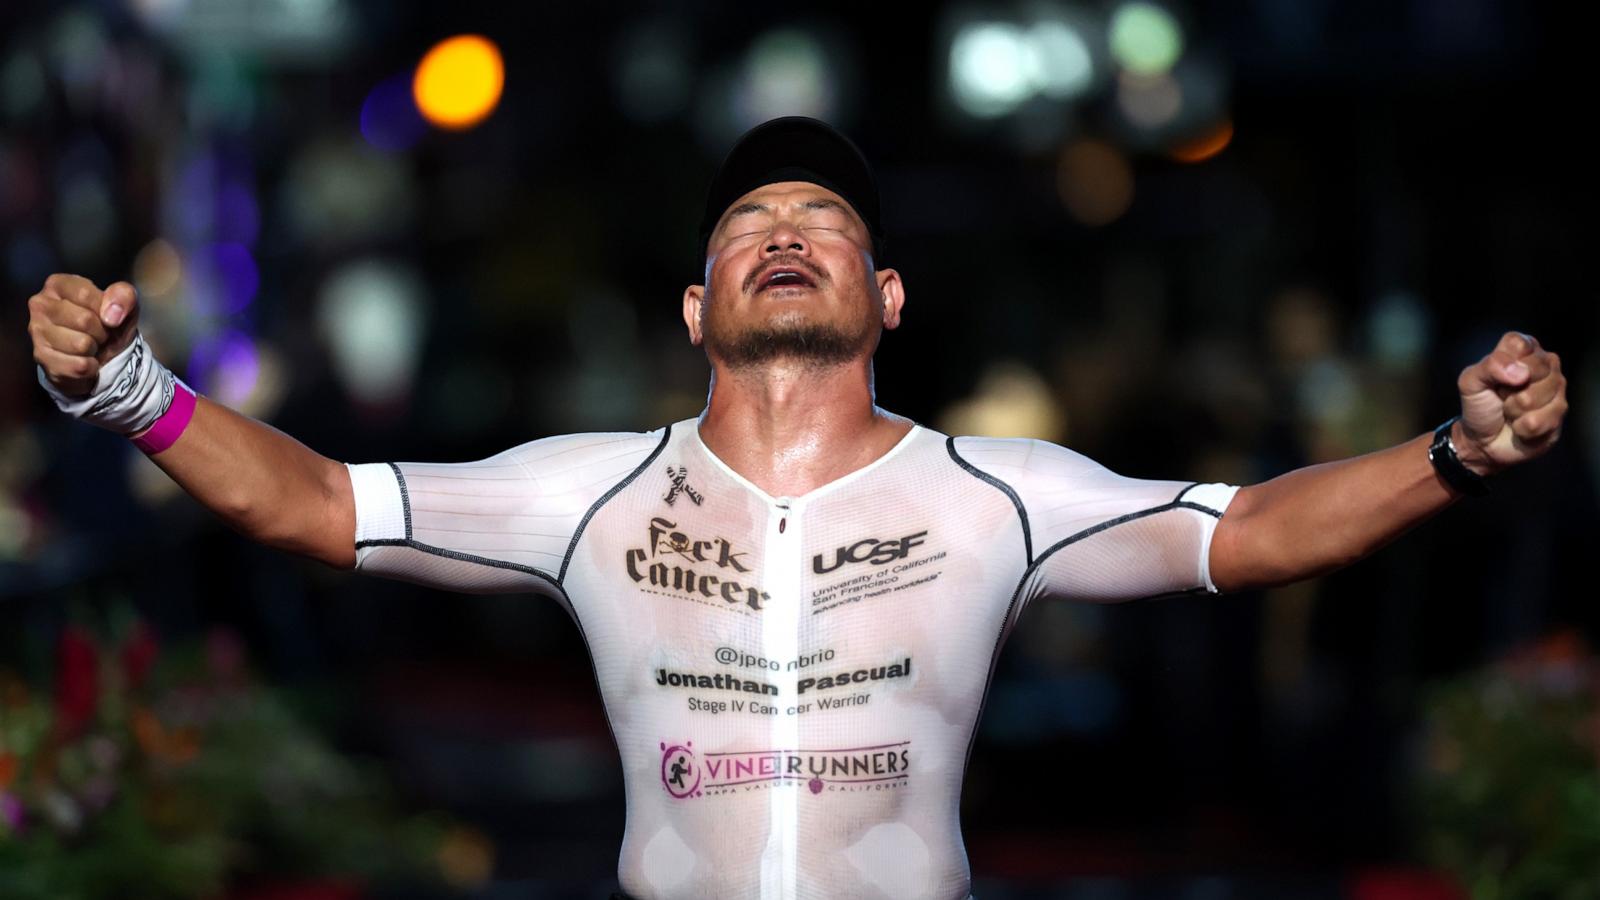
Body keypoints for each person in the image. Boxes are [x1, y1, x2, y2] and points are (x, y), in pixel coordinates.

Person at [26, 117, 1569, 900]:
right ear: (694, 307)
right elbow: (318, 505)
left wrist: (1454, 454)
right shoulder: (594, 492)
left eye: (820, 221)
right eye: (748, 224)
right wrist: (126, 392)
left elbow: (1246, 533)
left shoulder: (990, 495)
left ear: (885, 293)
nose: (782, 234)